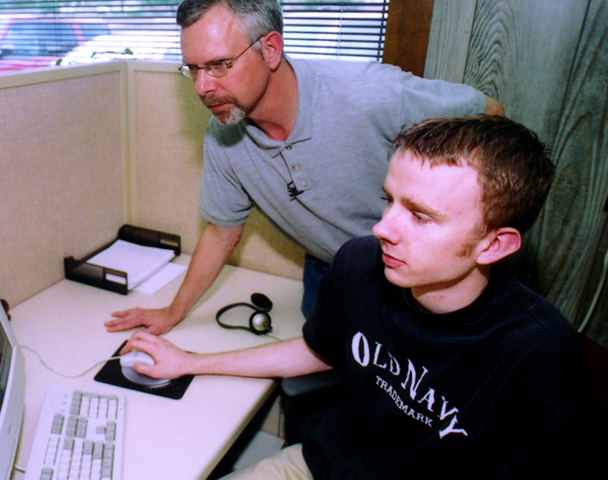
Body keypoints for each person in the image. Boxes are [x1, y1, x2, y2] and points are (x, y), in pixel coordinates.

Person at [121, 114, 599, 479]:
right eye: (390, 200)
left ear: (494, 245)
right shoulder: (360, 263)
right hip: (318, 466)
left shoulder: (539, 352)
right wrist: (189, 361)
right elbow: (315, 351)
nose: (382, 229)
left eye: (421, 216)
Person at [105, 0, 504, 335]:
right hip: (329, 271)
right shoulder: (222, 137)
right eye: (192, 68)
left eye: (219, 65)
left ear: (272, 49)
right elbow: (220, 233)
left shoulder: (372, 94)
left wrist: (458, 235)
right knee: (318, 400)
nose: (202, 87)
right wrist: (172, 313)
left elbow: (490, 113)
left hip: (419, 278)